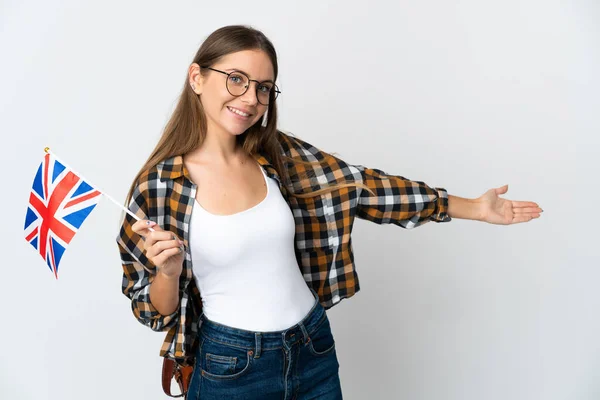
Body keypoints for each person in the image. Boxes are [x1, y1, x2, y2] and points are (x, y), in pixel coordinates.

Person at [115, 25, 543, 400]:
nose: (251, 98)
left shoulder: (278, 155)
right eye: (236, 80)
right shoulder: (161, 185)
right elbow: (156, 312)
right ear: (197, 77)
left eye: (263, 87)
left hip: (313, 346)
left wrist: (473, 207)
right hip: (231, 367)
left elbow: (364, 187)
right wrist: (167, 272)